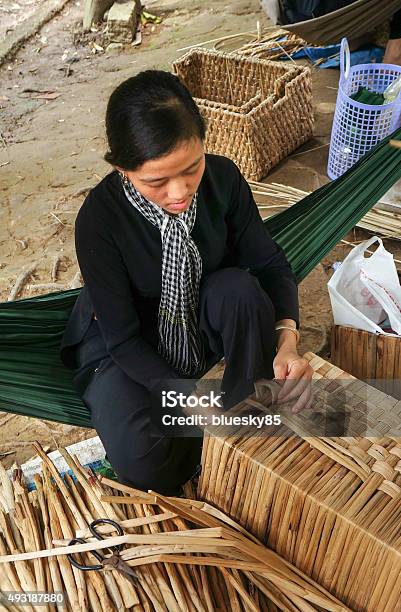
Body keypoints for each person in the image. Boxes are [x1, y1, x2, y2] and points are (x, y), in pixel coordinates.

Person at [59, 70, 313, 496]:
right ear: (123, 170)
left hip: (197, 314)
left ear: (203, 144)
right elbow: (122, 341)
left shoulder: (223, 180)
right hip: (126, 345)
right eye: (156, 181)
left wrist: (287, 342)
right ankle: (225, 429)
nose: (179, 193)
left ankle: (241, 422)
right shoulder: (100, 221)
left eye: (191, 169)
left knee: (241, 292)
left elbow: (271, 266)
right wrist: (190, 398)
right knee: (146, 461)